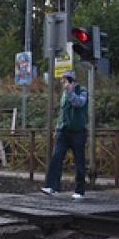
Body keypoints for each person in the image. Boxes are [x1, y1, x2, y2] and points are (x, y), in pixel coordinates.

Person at [41, 69, 88, 200]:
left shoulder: (82, 91)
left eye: (65, 81)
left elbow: (78, 103)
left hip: (78, 132)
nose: (63, 83)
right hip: (64, 131)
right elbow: (62, 112)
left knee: (79, 161)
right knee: (56, 157)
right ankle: (52, 187)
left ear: (71, 80)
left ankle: (80, 190)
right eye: (62, 81)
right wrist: (57, 129)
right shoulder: (64, 93)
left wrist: (71, 91)